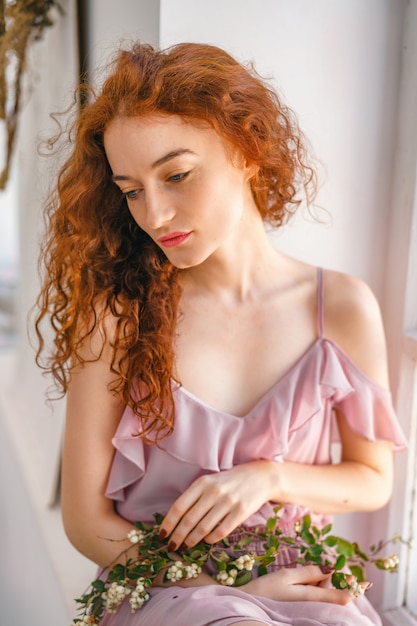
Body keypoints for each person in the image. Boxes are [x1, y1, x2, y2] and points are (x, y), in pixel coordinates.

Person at [35, 41, 407, 626]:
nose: (153, 214)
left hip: (300, 581)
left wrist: (267, 478)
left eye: (176, 175)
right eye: (132, 190)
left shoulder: (341, 307)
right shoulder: (119, 317)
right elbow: (87, 524)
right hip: (164, 587)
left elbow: (372, 479)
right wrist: (231, 591)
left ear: (247, 150)